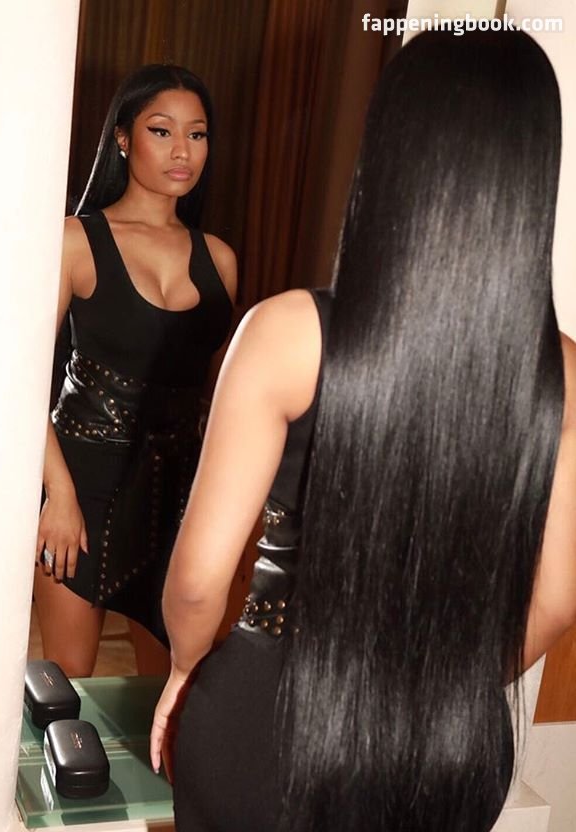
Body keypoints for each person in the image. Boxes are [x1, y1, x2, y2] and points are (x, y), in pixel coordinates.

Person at [150, 30, 576, 832]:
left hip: (262, 727)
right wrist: (440, 684)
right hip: (448, 746)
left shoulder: (286, 333)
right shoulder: (566, 373)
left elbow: (200, 582)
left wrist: (183, 668)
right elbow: (555, 598)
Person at [34, 64, 236, 678]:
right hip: (82, 485)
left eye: (197, 134)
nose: (182, 151)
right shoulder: (74, 240)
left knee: (175, 690)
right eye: (162, 130)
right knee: (66, 687)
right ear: (123, 138)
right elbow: (19, 382)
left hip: (178, 497)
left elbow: (222, 401)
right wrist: (58, 495)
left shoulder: (220, 260)